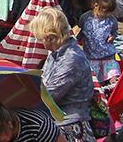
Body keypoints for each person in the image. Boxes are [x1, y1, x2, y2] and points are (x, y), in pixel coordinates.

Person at [33, 8, 93, 140]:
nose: (40, 42)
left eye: (41, 39)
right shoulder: (56, 54)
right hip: (57, 120)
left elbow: (49, 97)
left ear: (50, 37)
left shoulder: (71, 59)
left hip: (71, 127)